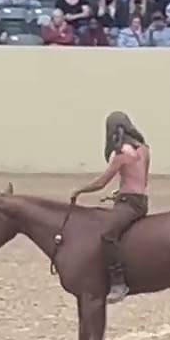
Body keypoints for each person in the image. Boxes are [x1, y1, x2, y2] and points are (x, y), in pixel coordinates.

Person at [68, 111, 151, 304]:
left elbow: (101, 182)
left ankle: (118, 282)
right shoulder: (144, 149)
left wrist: (80, 190)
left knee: (107, 235)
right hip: (140, 201)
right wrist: (118, 194)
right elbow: (139, 180)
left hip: (129, 203)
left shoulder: (121, 155)